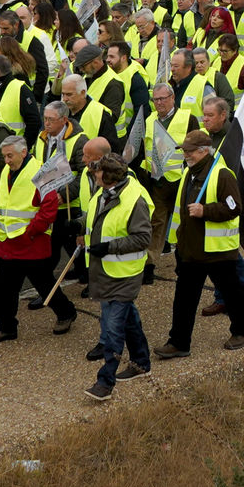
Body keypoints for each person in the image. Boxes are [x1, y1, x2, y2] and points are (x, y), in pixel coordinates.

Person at [156, 113, 244, 357]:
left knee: (233, 294)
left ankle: (243, 330)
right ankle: (179, 342)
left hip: (218, 251)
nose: (186, 154)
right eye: (184, 150)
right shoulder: (189, 174)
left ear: (204, 151)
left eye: (190, 151)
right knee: (184, 300)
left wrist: (206, 211)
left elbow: (234, 207)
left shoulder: (221, 175)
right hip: (191, 250)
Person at [81, 148, 156, 401]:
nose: (94, 174)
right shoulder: (103, 192)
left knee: (113, 330)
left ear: (108, 176)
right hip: (106, 271)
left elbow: (143, 238)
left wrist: (109, 247)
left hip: (125, 273)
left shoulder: (135, 200)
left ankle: (105, 383)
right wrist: (78, 224)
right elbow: (97, 219)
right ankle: (141, 364)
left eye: (97, 171)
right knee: (128, 320)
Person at [0, 132, 76, 342]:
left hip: (31, 242)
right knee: (4, 287)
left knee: (43, 283)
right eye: (4, 156)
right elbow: (2, 202)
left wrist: (31, 232)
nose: (6, 161)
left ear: (23, 152)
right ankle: (6, 325)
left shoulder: (40, 172)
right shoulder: (7, 171)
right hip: (9, 241)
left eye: (10, 156)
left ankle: (66, 312)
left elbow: (49, 208)